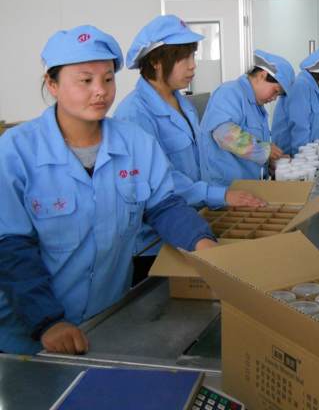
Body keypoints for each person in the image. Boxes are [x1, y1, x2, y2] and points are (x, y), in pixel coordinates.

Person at [0, 25, 217, 355]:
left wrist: (203, 244)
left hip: (104, 322)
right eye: (85, 81)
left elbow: (164, 206)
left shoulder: (136, 143)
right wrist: (47, 321)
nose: (100, 91)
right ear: (52, 84)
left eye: (108, 79)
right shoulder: (15, 152)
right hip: (30, 334)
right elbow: (12, 247)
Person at [114, 15, 263, 278]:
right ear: (156, 61)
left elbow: (197, 163)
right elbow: (160, 181)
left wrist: (217, 199)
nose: (193, 65)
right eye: (184, 58)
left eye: (193, 56)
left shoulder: (182, 103)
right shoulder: (134, 114)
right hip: (155, 246)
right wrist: (219, 195)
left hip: (193, 226)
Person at [199, 50, 295, 187]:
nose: (274, 98)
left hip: (248, 188)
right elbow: (224, 134)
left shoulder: (256, 107)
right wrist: (265, 150)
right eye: (275, 91)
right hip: (226, 189)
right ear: (262, 75)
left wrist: (270, 164)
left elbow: (249, 152)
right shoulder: (229, 92)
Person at [271, 47, 319, 155]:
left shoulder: (316, 91)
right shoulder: (300, 86)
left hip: (311, 157)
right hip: (292, 158)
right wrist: (304, 160)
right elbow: (300, 129)